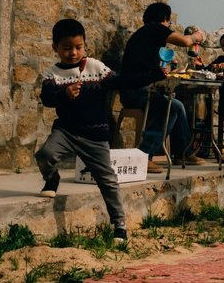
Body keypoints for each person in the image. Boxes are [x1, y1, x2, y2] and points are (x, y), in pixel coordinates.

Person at [36, 18, 166, 244]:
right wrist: (64, 94)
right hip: (66, 132)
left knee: (107, 180)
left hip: (95, 136)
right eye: (66, 48)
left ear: (85, 45)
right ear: (55, 47)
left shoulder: (95, 67)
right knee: (45, 155)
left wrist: (152, 75)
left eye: (78, 47)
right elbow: (47, 99)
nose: (73, 53)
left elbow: (123, 81)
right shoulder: (51, 74)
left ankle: (119, 224)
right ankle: (52, 178)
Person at [119, 2, 206, 174]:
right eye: (169, 21)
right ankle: (143, 155)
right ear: (165, 19)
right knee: (172, 107)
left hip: (133, 90)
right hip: (135, 92)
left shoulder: (144, 35)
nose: (169, 25)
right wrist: (196, 36)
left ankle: (183, 153)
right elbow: (185, 41)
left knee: (176, 105)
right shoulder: (154, 28)